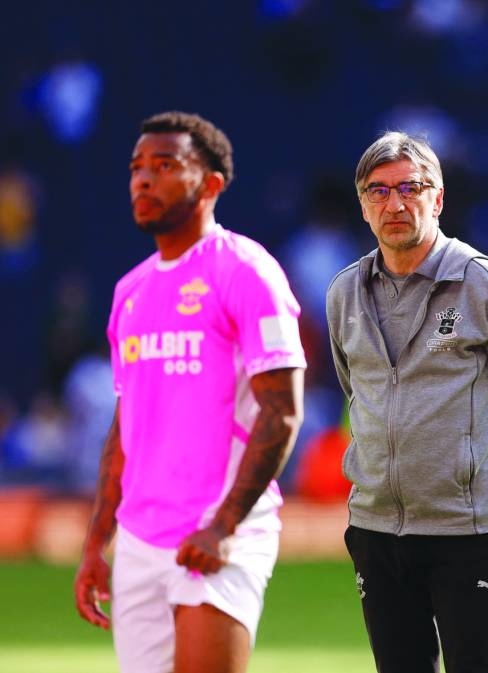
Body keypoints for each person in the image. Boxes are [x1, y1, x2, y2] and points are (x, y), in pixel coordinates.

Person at [73, 111, 306, 673]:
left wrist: (224, 524)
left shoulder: (246, 272)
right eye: (135, 168)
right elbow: (128, 426)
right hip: (138, 540)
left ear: (211, 184)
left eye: (164, 164)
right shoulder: (130, 292)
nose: (143, 179)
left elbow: (283, 410)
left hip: (218, 531)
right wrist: (96, 542)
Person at [326, 131, 488, 673]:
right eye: (378, 191)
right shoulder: (344, 293)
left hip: (467, 530)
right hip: (377, 529)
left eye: (411, 187)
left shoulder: (484, 283)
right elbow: (355, 388)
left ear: (439, 197)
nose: (395, 203)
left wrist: (480, 472)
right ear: (362, 206)